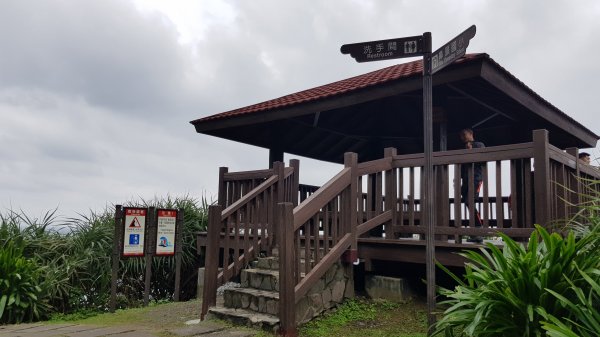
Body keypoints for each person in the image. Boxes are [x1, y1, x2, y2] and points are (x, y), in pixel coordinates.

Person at [459, 128, 485, 243]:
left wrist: (471, 152)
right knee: (467, 202)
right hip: (465, 180)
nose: (463, 137)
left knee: (470, 202)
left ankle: (479, 231)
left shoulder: (479, 145)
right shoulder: (463, 148)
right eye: (461, 136)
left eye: (464, 134)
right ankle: (475, 233)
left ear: (471, 134)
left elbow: (483, 160)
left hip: (476, 178)